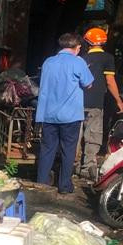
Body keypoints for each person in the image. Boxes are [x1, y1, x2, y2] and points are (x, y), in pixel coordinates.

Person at [35, 33, 94, 194]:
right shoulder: (78, 62)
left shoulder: (48, 62)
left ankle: (41, 183)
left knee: (47, 149)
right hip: (70, 116)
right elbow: (88, 84)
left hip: (48, 114)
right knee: (68, 150)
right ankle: (64, 185)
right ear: (77, 47)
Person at [80, 27, 123, 180]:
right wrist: (118, 100)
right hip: (95, 103)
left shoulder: (82, 57)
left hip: (77, 102)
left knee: (76, 135)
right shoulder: (108, 58)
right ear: (103, 42)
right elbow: (110, 81)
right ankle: (87, 167)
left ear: (87, 42)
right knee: (92, 135)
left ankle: (71, 164)